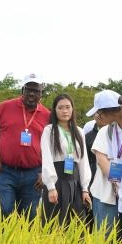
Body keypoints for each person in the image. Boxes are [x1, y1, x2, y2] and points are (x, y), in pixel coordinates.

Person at [0, 73, 50, 221]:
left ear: (41, 94)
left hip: (33, 175)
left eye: (36, 91)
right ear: (22, 90)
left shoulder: (47, 115)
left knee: (29, 216)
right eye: (28, 89)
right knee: (4, 210)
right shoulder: (5, 107)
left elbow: (50, 148)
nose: (32, 94)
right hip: (6, 170)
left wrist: (43, 171)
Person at [40, 94, 92, 224]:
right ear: (54, 110)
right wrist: (51, 187)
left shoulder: (79, 131)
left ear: (72, 109)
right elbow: (46, 158)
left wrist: (85, 189)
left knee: (77, 224)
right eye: (60, 108)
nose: (65, 111)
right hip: (57, 179)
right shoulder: (49, 130)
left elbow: (83, 161)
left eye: (68, 107)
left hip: (75, 181)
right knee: (54, 222)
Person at [88, 89, 122, 231]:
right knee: (106, 237)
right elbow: (101, 159)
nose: (97, 116)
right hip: (106, 193)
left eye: (99, 112)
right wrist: (116, 182)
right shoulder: (105, 131)